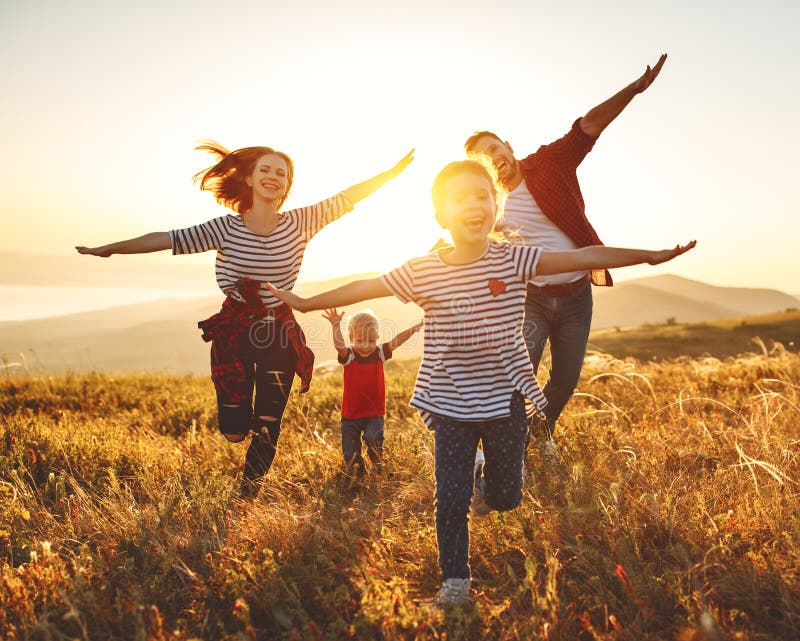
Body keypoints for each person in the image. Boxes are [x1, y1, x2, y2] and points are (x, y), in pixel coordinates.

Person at [266, 159, 695, 607]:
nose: (473, 204)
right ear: (440, 215)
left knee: (506, 497)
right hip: (449, 400)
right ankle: (455, 583)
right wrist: (305, 301)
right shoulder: (423, 270)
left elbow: (583, 257)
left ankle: (483, 479)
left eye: (482, 195)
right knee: (449, 499)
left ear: (495, 206)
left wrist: (649, 255)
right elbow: (364, 288)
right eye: (460, 198)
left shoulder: (514, 258)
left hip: (506, 398)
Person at [76, 142, 413, 498]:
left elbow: (348, 197)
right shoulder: (225, 228)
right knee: (235, 430)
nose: (273, 177)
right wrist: (110, 248)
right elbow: (165, 238)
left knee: (269, 423)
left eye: (281, 173)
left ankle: (247, 493)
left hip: (278, 333)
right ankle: (239, 422)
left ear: (287, 186)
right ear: (250, 178)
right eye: (265, 170)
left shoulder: (301, 222)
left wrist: (391, 174)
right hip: (236, 331)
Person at [465, 54, 668, 460]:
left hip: (576, 298)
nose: (492, 159)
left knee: (565, 380)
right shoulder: (490, 205)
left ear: (507, 144)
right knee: (517, 376)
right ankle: (506, 447)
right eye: (482, 161)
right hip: (532, 300)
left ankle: (539, 433)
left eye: (493, 149)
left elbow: (587, 128)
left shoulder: (549, 163)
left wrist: (633, 89)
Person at [322, 308, 422, 477]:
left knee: (374, 439)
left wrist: (414, 328)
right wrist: (335, 325)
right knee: (350, 452)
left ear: (377, 339)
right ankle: (358, 475)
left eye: (370, 341)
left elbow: (397, 341)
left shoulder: (379, 353)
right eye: (360, 340)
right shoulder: (350, 356)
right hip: (350, 415)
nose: (365, 346)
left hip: (374, 413)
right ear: (352, 339)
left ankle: (377, 463)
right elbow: (339, 345)